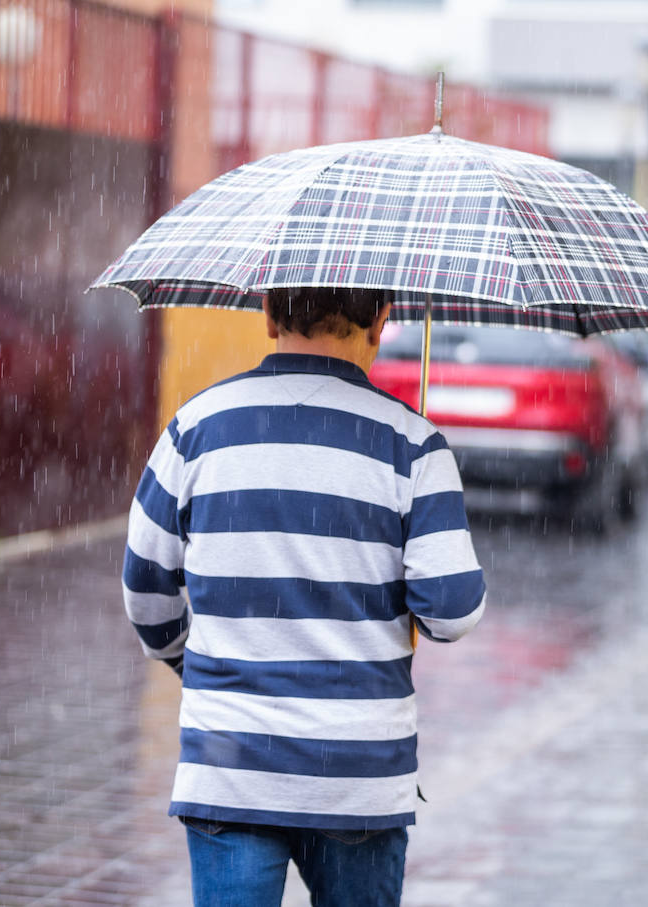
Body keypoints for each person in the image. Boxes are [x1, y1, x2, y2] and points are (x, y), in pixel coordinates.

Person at [122, 286, 487, 907]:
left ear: (267, 313)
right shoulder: (414, 444)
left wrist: (204, 669)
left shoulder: (196, 428)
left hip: (229, 764)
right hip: (358, 778)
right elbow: (450, 612)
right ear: (381, 320)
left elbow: (146, 597)